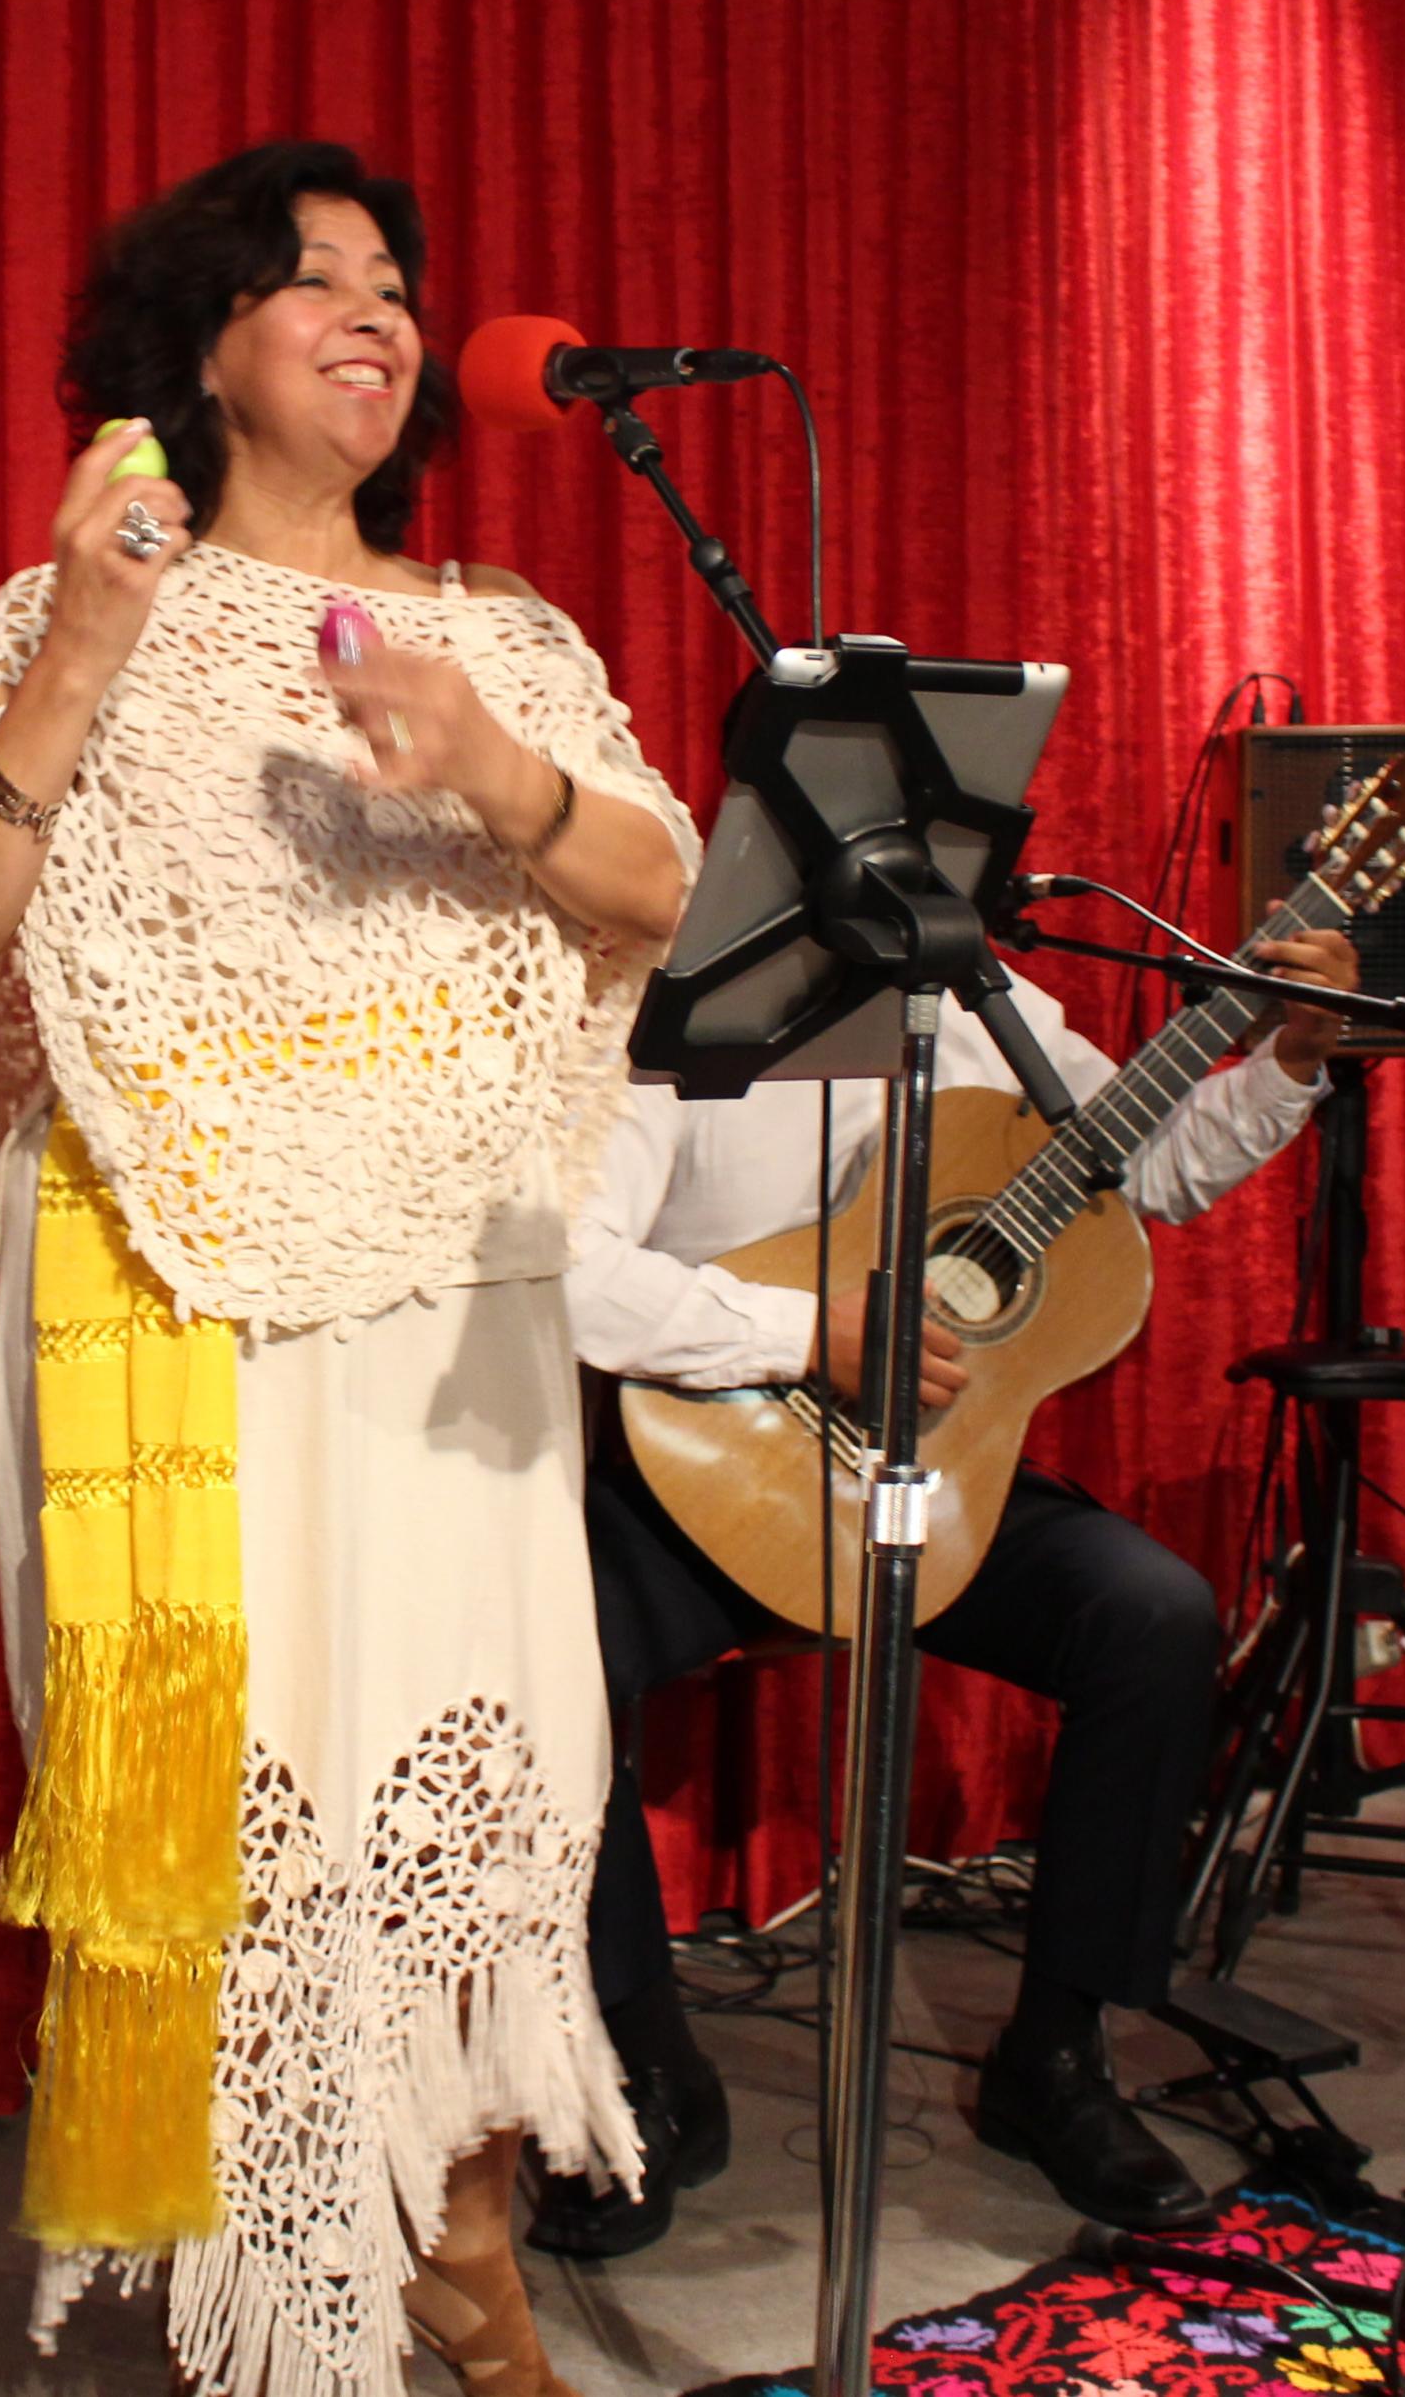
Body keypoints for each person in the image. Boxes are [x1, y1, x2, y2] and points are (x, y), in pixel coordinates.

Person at [0, 142, 698, 2397]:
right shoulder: (69, 619)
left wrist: (492, 769)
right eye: (313, 276)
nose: (377, 313)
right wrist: (83, 648)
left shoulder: (500, 629)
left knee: (474, 1799)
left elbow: (660, 894)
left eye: (394, 284)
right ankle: (282, 2325)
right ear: (204, 346)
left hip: (452, 1318)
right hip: (177, 1298)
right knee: (257, 1841)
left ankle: (466, 2262)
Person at [538, 924, 1359, 2251]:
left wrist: (1289, 1059)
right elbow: (571, 1269)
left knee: (1150, 1616)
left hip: (933, 1481)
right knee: (544, 1648)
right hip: (715, 1466)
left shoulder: (994, 1005)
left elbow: (1147, 1167)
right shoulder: (681, 1017)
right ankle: (644, 2066)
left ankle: (1058, 2055)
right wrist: (806, 1332)